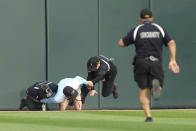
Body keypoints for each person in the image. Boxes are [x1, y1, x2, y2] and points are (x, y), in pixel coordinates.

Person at [118, 9, 180, 122]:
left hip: (140, 62)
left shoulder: (137, 30)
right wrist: (172, 60)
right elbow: (171, 43)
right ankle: (155, 88)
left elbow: (121, 43)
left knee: (143, 90)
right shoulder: (159, 29)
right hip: (155, 62)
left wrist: (134, 40)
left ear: (141, 19)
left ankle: (148, 116)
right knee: (155, 88)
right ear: (151, 18)